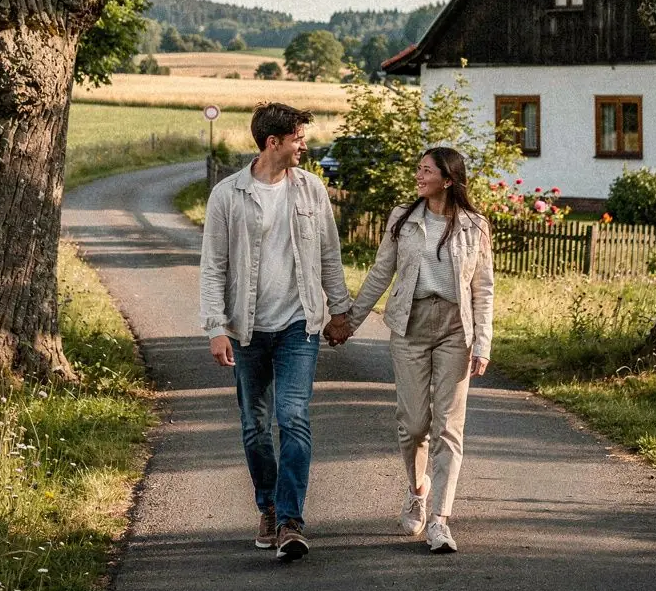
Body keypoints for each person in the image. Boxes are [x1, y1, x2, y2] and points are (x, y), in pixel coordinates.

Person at [200, 102, 351, 561]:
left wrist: (339, 310)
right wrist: (215, 327)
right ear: (273, 142)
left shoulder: (311, 190)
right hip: (246, 329)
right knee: (255, 427)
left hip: (298, 325)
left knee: (293, 417)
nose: (305, 145)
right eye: (298, 138)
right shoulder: (227, 195)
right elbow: (213, 267)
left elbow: (329, 254)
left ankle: (289, 520)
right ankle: (266, 505)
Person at [325, 146, 493, 554]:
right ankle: (418, 489)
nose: (419, 176)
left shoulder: (475, 225)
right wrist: (350, 321)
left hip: (456, 328)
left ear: (448, 180)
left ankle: (440, 520)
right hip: (409, 325)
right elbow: (381, 272)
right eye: (418, 169)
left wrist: (483, 342)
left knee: (448, 426)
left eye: (426, 171)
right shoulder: (403, 218)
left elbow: (483, 288)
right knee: (414, 424)